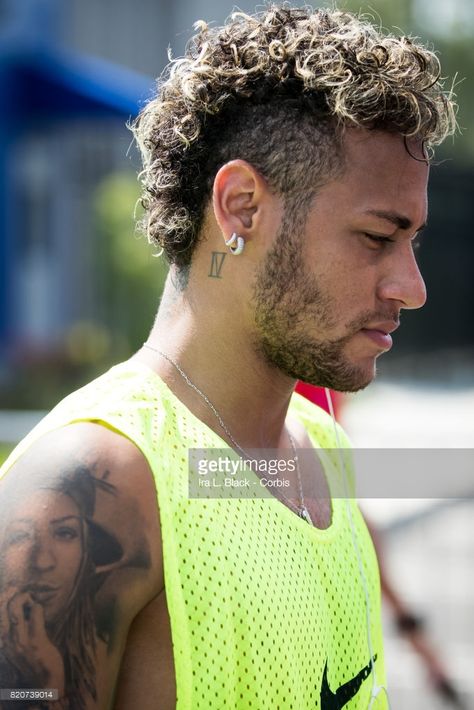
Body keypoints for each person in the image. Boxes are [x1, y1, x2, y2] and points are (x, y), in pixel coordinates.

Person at [0, 5, 456, 709]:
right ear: (241, 206)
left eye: (413, 242)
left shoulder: (323, 450)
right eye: (375, 237)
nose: (412, 287)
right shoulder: (88, 482)